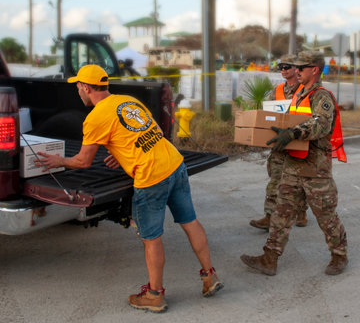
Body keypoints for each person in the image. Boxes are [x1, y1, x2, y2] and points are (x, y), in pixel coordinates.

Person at [35, 64, 223, 313]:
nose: (77, 91)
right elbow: (151, 131)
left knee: (152, 238)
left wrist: (59, 161)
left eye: (78, 86)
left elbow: (83, 161)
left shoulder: (95, 118)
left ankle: (155, 295)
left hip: (151, 177)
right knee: (190, 221)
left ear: (86, 88)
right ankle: (210, 276)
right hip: (174, 164)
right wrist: (123, 153)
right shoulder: (127, 101)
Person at [240, 51, 348, 276]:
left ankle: (339, 255)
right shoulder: (298, 95)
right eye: (295, 67)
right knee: (281, 213)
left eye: (301, 67)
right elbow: (283, 121)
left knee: (325, 215)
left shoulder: (321, 96)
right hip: (292, 166)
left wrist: (293, 133)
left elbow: (320, 125)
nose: (296, 71)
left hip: (315, 170)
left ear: (315, 69)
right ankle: (270, 258)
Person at [249, 54, 308, 231]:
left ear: (296, 68)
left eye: (286, 66)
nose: (283, 70)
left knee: (300, 180)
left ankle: (301, 211)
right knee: (275, 178)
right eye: (280, 67)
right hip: (280, 142)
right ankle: (269, 216)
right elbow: (271, 114)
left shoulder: (307, 89)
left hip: (298, 140)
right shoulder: (278, 90)